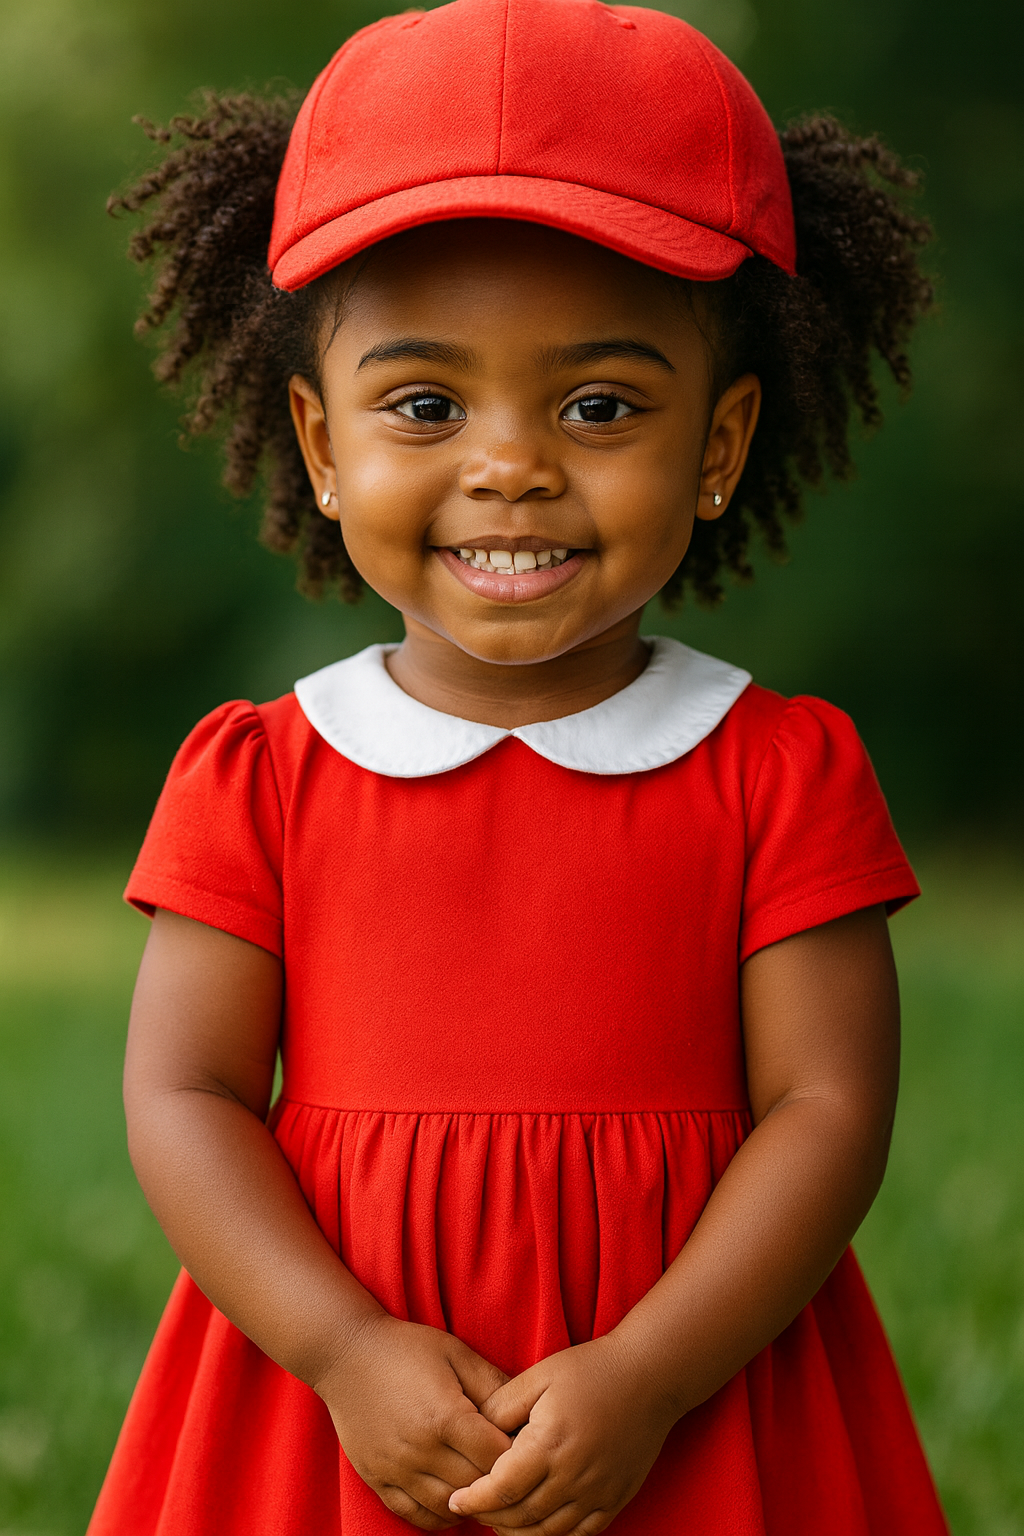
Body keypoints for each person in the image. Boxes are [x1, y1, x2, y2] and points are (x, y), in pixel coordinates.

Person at [88, 1, 950, 1531]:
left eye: (600, 405)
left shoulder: (776, 768)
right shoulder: (262, 772)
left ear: (721, 443)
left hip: (693, 1393)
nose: (510, 463)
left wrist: (652, 1374)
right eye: (425, 403)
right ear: (321, 438)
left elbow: (827, 1109)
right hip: (330, 1408)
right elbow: (186, 1093)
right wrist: (338, 1347)